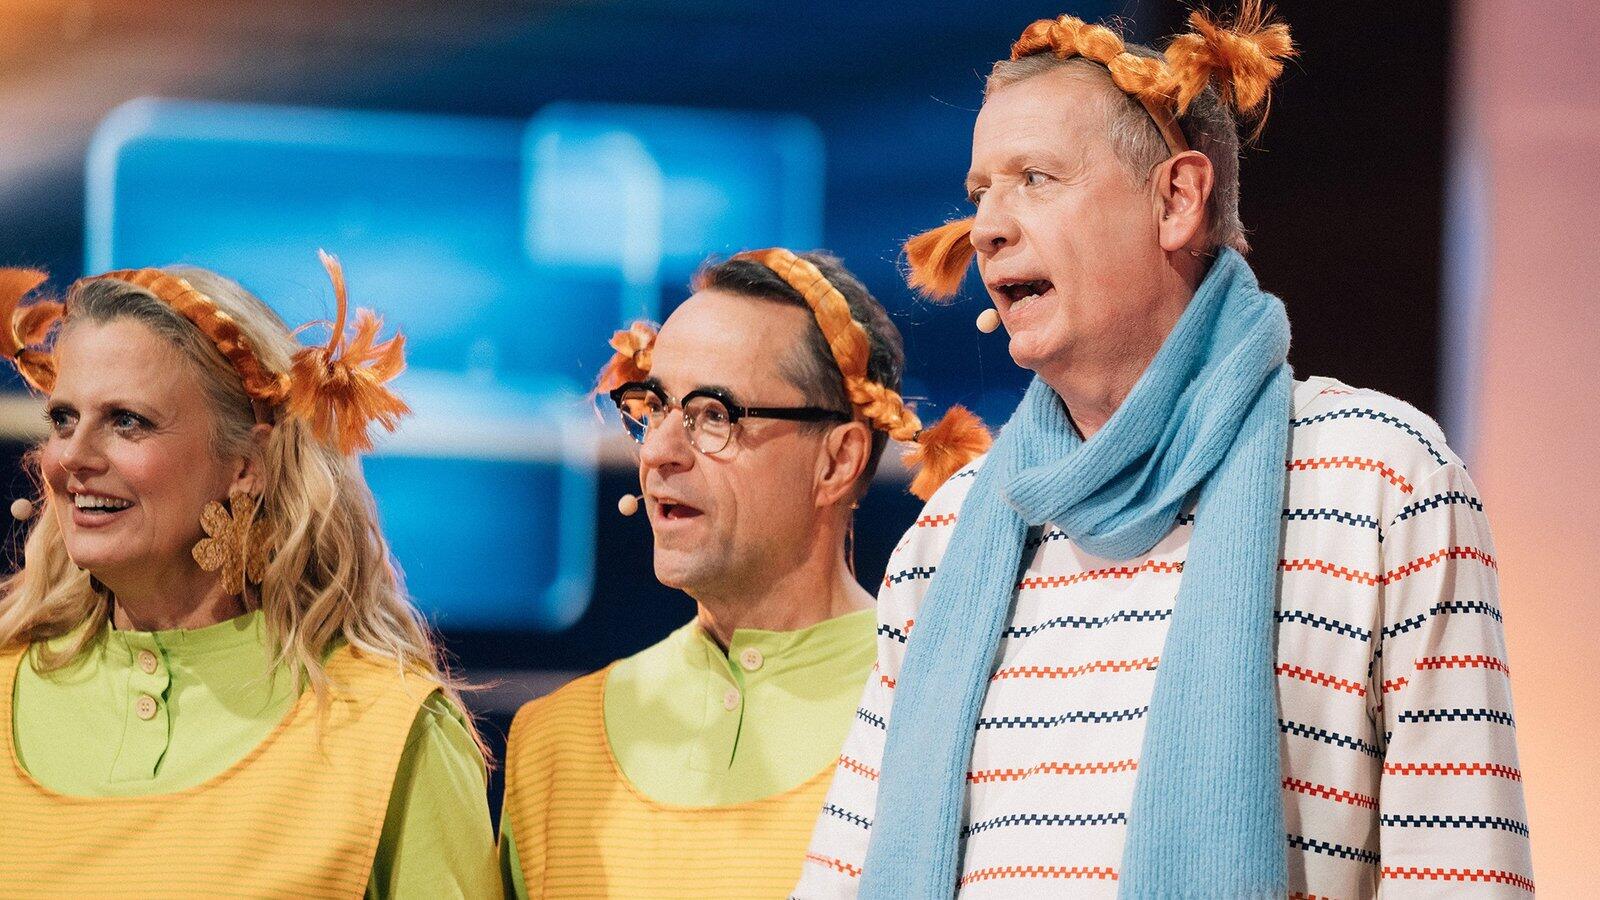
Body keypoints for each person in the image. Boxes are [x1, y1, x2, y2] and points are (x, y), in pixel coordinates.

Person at [797, 7, 1533, 898]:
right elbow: (844, 875)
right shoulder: (948, 536)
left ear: (1177, 199)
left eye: (1035, 178)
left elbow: (1465, 871)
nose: (986, 227)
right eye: (981, 191)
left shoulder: (1382, 479)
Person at [0, 255, 498, 897]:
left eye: (127, 421)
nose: (71, 456)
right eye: (64, 419)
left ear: (246, 464)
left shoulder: (389, 731)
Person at [498, 248, 989, 898]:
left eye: (714, 414)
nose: (660, 452)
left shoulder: (945, 721)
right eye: (655, 407)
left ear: (838, 462)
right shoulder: (553, 742)